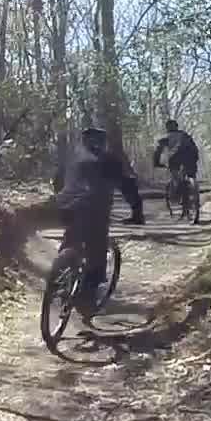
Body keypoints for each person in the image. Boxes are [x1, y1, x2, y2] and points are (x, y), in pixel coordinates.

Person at [57, 126, 144, 317]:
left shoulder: (71, 158)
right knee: (97, 248)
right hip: (96, 209)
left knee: (71, 236)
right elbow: (127, 186)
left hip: (67, 206)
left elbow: (57, 182)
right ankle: (87, 297)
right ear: (103, 143)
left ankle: (60, 276)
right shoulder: (109, 160)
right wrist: (137, 212)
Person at [152, 118, 201, 208]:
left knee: (176, 177)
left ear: (167, 128)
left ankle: (179, 195)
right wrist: (195, 159)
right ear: (177, 127)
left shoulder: (165, 138)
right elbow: (194, 148)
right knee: (190, 175)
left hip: (175, 158)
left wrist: (156, 163)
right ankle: (193, 193)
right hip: (191, 157)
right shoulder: (185, 135)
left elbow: (157, 152)